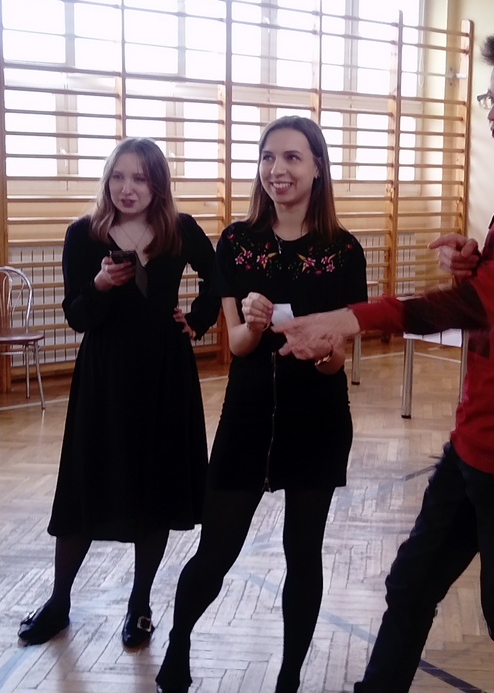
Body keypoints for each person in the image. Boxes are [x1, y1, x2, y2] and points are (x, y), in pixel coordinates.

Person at [277, 30, 494, 693]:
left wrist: (355, 317)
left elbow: (486, 304)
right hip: (479, 434)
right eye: (492, 98)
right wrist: (479, 261)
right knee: (411, 585)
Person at [154, 116, 368, 693]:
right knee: (215, 552)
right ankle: (178, 644)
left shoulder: (344, 252)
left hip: (317, 419)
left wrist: (321, 350)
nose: (278, 169)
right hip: (248, 417)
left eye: (293, 157)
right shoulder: (237, 241)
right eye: (269, 157)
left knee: (304, 554)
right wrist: (250, 323)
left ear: (318, 167)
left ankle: (290, 676)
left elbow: (337, 362)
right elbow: (240, 344)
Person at [18, 137, 219, 650]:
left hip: (165, 375)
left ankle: (140, 603)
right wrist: (101, 285)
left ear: (157, 184)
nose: (128, 188)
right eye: (118, 177)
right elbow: (77, 316)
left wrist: (197, 320)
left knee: (154, 489)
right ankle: (59, 601)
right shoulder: (83, 234)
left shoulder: (179, 229)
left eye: (140, 178)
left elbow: (218, 277)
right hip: (105, 378)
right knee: (85, 486)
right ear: (107, 181)